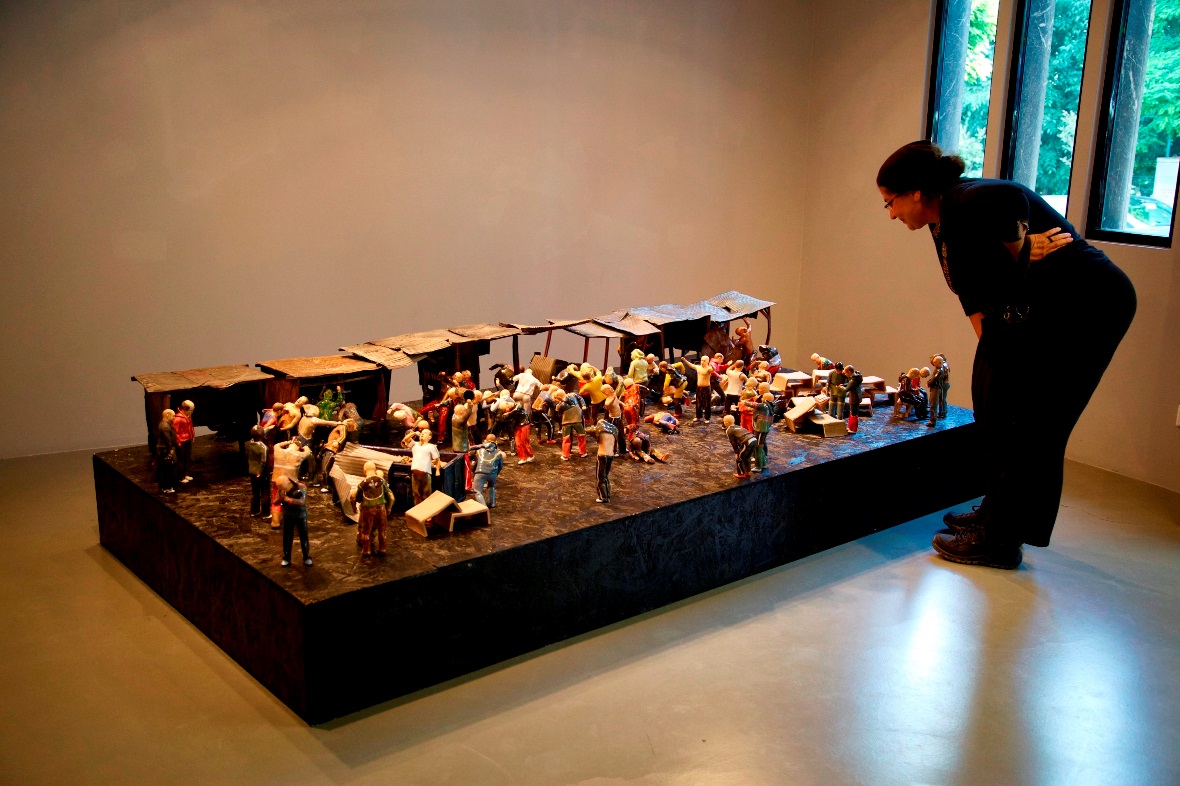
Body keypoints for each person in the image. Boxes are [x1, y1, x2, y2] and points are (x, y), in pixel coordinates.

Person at [877, 140, 1136, 569]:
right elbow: (972, 295)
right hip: (1046, 312)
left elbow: (1008, 195)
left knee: (1036, 423)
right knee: (995, 407)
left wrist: (1021, 246)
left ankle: (1000, 539)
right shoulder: (942, 224)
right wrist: (992, 354)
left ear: (916, 193)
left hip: (1092, 306)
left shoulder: (965, 198)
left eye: (891, 202)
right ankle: (995, 513)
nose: (890, 214)